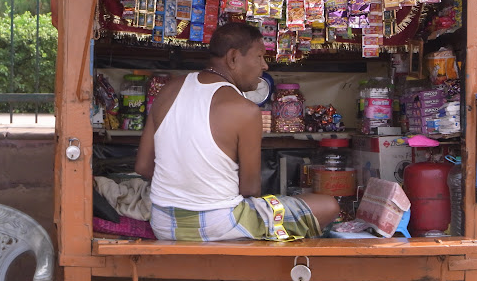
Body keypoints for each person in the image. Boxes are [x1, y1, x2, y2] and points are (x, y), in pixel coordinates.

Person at [135, 22, 340, 241]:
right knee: (328, 205)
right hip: (220, 225)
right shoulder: (246, 110)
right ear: (233, 58)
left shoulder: (169, 89)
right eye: (259, 57)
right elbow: (250, 189)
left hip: (164, 223)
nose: (264, 66)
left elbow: (143, 166)